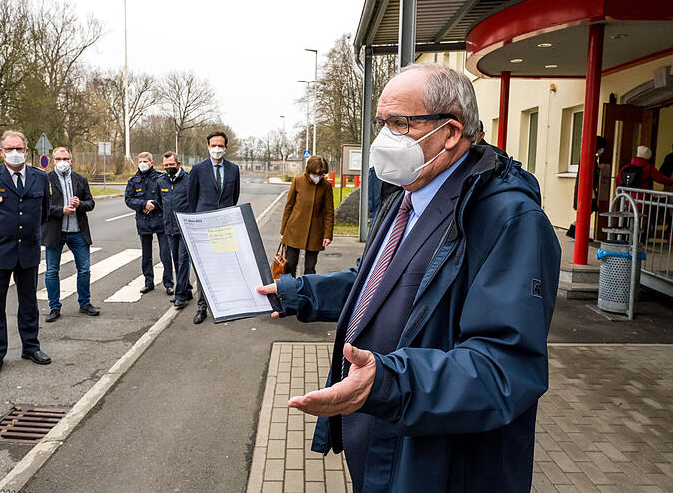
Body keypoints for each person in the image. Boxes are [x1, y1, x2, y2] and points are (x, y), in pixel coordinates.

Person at [258, 64, 560, 492]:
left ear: (451, 132)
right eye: (382, 123)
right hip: (384, 435)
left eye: (399, 123)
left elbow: (505, 367)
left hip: (442, 464)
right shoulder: (408, 193)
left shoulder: (509, 219)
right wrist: (297, 293)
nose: (384, 138)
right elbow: (377, 281)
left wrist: (388, 382)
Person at [0, 130, 52, 376]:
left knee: (29, 303)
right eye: (9, 149)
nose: (15, 153)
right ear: (1, 152)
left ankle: (31, 346)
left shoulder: (39, 178)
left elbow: (44, 213)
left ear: (27, 151)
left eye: (19, 149)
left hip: (28, 250)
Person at [187, 131, 240, 324]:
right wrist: (201, 220)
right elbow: (191, 199)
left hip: (224, 228)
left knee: (224, 267)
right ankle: (202, 307)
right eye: (213, 145)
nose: (217, 149)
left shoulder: (234, 169)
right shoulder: (198, 169)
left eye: (220, 145)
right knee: (203, 268)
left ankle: (224, 305)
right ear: (208, 146)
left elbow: (234, 197)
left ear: (226, 148)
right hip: (203, 227)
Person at [42, 147, 100, 322]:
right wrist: (61, 210)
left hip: (77, 232)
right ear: (53, 161)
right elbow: (41, 207)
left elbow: (91, 203)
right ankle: (54, 307)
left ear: (71, 160)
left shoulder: (80, 180)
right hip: (55, 232)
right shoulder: (46, 180)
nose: (62, 162)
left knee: (84, 270)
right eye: (58, 159)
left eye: (65, 158)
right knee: (52, 271)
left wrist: (80, 204)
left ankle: (85, 303)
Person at [124, 152, 173, 295]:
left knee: (165, 253)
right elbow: (128, 199)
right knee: (146, 255)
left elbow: (167, 196)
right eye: (140, 161)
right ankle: (148, 282)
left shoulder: (160, 178)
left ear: (151, 163)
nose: (142, 163)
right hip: (143, 222)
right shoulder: (134, 180)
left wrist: (154, 205)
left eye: (145, 161)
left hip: (160, 220)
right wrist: (143, 203)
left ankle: (168, 283)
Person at [279, 155, 334, 277]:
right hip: (294, 229)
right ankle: (289, 290)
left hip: (315, 232)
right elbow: (289, 206)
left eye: (321, 175)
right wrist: (283, 230)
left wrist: (328, 235)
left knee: (310, 268)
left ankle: (306, 292)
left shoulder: (326, 186)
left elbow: (329, 212)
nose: (318, 177)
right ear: (309, 171)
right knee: (290, 264)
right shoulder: (298, 181)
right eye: (316, 174)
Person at [155, 151, 193, 309]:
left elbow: (194, 200)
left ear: (178, 164)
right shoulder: (161, 181)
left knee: (184, 260)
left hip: (185, 227)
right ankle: (187, 289)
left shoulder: (189, 179)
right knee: (176, 260)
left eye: (171, 165)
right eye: (166, 166)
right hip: (169, 227)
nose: (168, 168)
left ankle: (180, 295)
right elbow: (159, 201)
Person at [565, 136, 608, 238]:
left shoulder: (591, 155)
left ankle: (575, 229)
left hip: (589, 187)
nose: (603, 150)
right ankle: (576, 230)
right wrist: (598, 167)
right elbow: (589, 170)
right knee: (588, 209)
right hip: (587, 188)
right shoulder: (589, 156)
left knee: (589, 209)